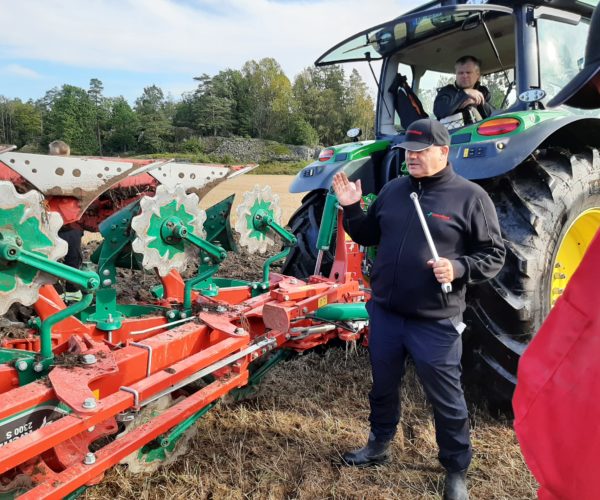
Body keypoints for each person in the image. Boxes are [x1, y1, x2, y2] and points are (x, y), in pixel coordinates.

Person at [332, 118, 505, 500]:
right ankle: (378, 443)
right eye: (407, 152)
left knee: (446, 397)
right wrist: (352, 208)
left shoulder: (470, 197)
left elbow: (494, 255)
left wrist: (458, 267)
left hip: (435, 321)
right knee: (383, 386)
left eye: (420, 151)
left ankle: (456, 468)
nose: (411, 158)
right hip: (387, 314)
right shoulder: (394, 190)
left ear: (443, 152)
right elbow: (368, 234)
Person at [49, 140, 83, 301]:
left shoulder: (74, 172)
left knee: (71, 259)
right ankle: (57, 294)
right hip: (54, 225)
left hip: (70, 224)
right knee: (51, 260)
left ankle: (72, 293)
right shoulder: (44, 172)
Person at [434, 55, 494, 122]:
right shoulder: (446, 92)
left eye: (468, 72)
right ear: (456, 75)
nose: (464, 76)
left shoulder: (483, 93)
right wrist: (465, 93)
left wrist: (478, 102)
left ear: (477, 75)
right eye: (460, 73)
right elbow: (439, 111)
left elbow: (494, 116)